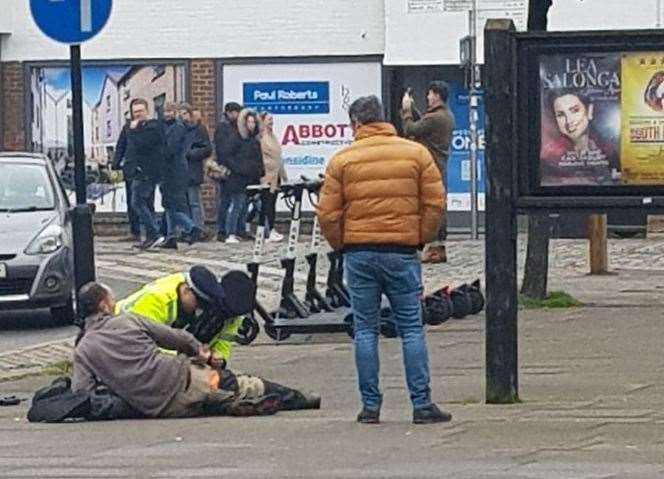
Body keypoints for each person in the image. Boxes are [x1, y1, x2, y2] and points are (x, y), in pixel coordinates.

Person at [318, 95, 451, 425]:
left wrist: (343, 244)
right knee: (410, 328)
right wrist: (420, 236)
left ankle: (370, 407)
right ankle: (421, 404)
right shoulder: (415, 154)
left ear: (356, 124)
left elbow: (327, 213)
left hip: (359, 253)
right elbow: (435, 202)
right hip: (402, 251)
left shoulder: (342, 161)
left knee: (365, 329)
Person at [110, 274, 321, 411]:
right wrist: (190, 365)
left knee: (218, 381)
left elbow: (224, 343)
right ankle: (268, 399)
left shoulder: (226, 305)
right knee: (217, 386)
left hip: (143, 369)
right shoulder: (156, 300)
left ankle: (291, 398)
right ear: (186, 290)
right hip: (135, 359)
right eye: (199, 304)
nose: (199, 310)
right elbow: (152, 350)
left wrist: (218, 360)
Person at [72, 282, 282, 419]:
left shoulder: (83, 349)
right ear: (103, 306)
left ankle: (224, 402)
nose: (114, 303)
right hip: (180, 375)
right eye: (111, 300)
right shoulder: (128, 320)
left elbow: (81, 392)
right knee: (239, 382)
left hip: (157, 406)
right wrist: (200, 352)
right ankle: (301, 398)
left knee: (199, 403)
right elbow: (176, 338)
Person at [401, 81, 455, 264]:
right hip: (438, 165)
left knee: (431, 207)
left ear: (437, 95)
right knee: (437, 205)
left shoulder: (436, 118)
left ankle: (434, 248)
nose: (428, 97)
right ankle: (436, 247)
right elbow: (424, 125)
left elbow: (411, 129)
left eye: (430, 94)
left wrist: (407, 110)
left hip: (431, 166)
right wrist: (414, 108)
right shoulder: (444, 115)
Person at [540, 88, 616, 186]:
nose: (569, 121)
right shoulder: (550, 157)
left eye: (575, 110)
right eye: (561, 115)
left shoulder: (607, 150)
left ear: (589, 111)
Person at [122, 99, 166, 250]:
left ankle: (155, 233)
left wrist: (134, 131)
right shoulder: (134, 127)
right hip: (138, 171)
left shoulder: (153, 126)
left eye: (140, 111)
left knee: (137, 203)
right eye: (135, 112)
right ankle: (150, 237)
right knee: (145, 204)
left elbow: (143, 145)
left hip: (148, 172)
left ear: (147, 111)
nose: (138, 114)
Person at [160, 102, 202, 248]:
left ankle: (191, 227)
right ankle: (171, 236)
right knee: (169, 205)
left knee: (171, 205)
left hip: (174, 171)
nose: (168, 114)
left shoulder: (177, 128)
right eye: (165, 111)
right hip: (174, 170)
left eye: (171, 111)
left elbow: (170, 149)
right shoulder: (175, 127)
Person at [224, 108, 265, 244]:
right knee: (236, 205)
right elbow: (227, 157)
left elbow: (258, 159)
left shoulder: (254, 141)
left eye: (253, 122)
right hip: (237, 178)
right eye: (249, 122)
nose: (251, 125)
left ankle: (241, 230)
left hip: (251, 179)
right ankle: (230, 232)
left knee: (246, 206)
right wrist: (239, 169)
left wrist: (260, 172)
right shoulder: (236, 138)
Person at [214, 102, 243, 242]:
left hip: (235, 169)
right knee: (225, 201)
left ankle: (236, 228)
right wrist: (231, 165)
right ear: (230, 113)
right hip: (226, 170)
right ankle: (222, 230)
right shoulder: (223, 128)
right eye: (236, 113)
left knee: (235, 201)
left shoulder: (235, 127)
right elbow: (223, 150)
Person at [258, 111, 287, 242]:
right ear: (262, 121)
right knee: (266, 204)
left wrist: (284, 176)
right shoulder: (261, 138)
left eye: (272, 119)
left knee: (271, 203)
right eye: (269, 119)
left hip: (276, 176)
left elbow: (278, 158)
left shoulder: (272, 136)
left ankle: (270, 229)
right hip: (267, 176)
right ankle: (266, 231)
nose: (271, 122)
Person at [187, 108, 213, 232]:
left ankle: (198, 228)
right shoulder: (180, 129)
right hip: (180, 172)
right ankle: (188, 229)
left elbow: (207, 149)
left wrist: (191, 153)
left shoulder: (200, 130)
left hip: (193, 170)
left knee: (194, 202)